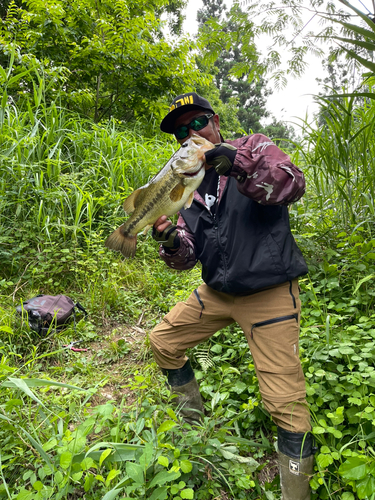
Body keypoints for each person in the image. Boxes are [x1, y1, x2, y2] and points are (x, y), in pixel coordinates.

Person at [149, 92, 315, 500]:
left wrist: (238, 164)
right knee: (163, 341)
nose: (192, 134)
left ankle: (295, 493)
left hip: (268, 292)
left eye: (198, 122)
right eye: (181, 132)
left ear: (216, 120)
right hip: (217, 292)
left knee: (286, 405)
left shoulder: (255, 147)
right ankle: (194, 429)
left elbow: (290, 184)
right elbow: (187, 255)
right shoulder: (187, 182)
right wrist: (171, 242)